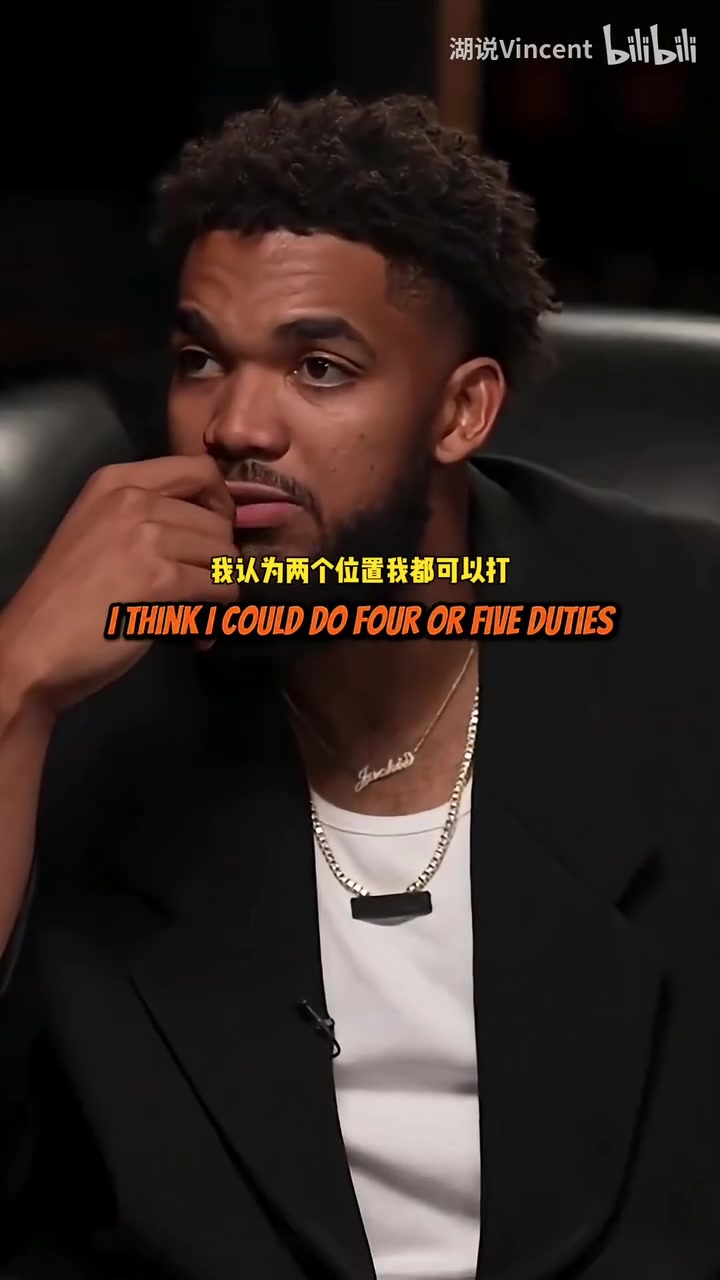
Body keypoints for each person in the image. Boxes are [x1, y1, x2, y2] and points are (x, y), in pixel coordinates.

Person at [0, 92, 719, 1280]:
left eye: (319, 367)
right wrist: (14, 687)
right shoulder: (85, 680)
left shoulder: (682, 640)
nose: (237, 425)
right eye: (200, 360)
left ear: (461, 410)